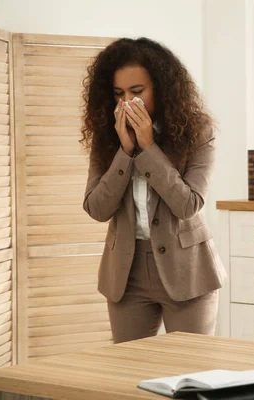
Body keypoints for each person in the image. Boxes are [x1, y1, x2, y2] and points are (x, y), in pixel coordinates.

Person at [81, 37, 225, 344]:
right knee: (131, 378)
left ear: (160, 88)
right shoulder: (108, 136)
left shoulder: (198, 131)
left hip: (188, 272)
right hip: (126, 275)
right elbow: (97, 208)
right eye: (119, 94)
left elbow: (188, 205)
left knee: (192, 374)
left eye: (137, 91)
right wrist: (126, 151)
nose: (128, 103)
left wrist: (148, 147)